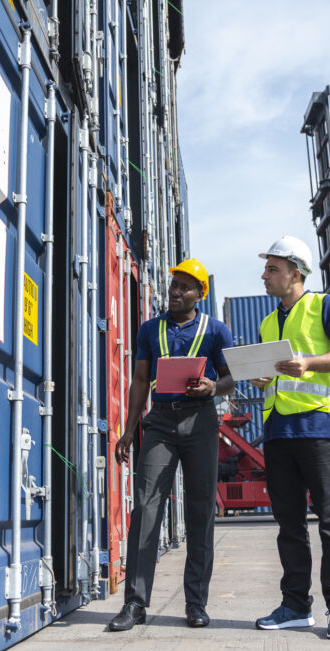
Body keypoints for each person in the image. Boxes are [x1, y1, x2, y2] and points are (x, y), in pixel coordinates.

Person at [108, 258, 234, 631]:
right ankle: (134, 604)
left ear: (200, 294)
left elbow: (230, 379)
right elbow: (140, 380)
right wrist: (129, 429)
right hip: (160, 422)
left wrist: (213, 387)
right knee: (145, 510)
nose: (175, 292)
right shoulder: (149, 330)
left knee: (200, 513)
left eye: (184, 287)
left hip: (201, 421)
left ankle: (196, 603)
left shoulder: (217, 331)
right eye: (173, 285)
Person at [251, 235, 330, 640]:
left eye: (272, 269)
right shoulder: (267, 321)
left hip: (317, 428)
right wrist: (262, 375)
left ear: (295, 273)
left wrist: (309, 363)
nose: (265, 275)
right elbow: (272, 373)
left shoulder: (324, 306)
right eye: (266, 269)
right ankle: (296, 606)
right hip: (278, 432)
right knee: (289, 524)